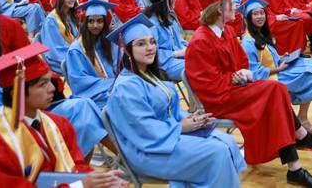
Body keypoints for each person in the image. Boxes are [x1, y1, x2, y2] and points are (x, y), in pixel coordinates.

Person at [185, 0, 312, 188]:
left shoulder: (227, 31)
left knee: (277, 91)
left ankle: (295, 165)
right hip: (219, 100)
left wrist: (244, 72)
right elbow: (206, 85)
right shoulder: (200, 41)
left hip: (236, 90)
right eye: (230, 2)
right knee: (274, 91)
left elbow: (241, 61)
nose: (235, 6)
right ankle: (299, 141)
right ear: (219, 8)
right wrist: (234, 77)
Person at [105, 14, 246, 188]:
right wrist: (181, 127)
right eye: (141, 44)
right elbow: (144, 129)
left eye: (152, 42)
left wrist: (193, 120)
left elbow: (172, 113)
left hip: (165, 136)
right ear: (127, 50)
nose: (150, 48)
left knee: (227, 142)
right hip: (147, 151)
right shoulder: (126, 87)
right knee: (217, 152)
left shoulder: (149, 75)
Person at [0, 42, 126, 187]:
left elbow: (77, 168)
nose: (53, 88)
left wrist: (103, 181)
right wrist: (80, 186)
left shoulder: (59, 124)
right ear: (18, 92)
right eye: (42, 84)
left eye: (49, 81)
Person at [240, 0, 312, 133]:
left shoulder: (260, 34)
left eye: (261, 13)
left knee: (308, 62)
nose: (260, 17)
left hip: (277, 69)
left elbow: (267, 57)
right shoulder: (248, 42)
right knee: (308, 75)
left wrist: (281, 57)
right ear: (248, 18)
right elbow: (253, 73)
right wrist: (278, 68)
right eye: (255, 14)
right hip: (267, 80)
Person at [64, 0, 119, 109]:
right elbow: (79, 81)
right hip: (94, 95)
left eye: (99, 21)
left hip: (117, 87)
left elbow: (121, 65)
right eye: (91, 21)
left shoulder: (110, 42)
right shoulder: (76, 50)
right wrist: (112, 84)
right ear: (85, 23)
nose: (95, 25)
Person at [143, 0, 188, 80]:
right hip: (163, 64)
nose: (174, 0)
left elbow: (178, 40)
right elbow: (153, 52)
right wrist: (175, 54)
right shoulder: (152, 24)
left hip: (177, 58)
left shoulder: (169, 18)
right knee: (194, 67)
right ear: (164, 1)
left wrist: (190, 47)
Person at [39, 0, 81, 75]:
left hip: (72, 53)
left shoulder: (69, 15)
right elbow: (55, 49)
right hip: (60, 60)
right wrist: (77, 54)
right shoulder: (51, 20)